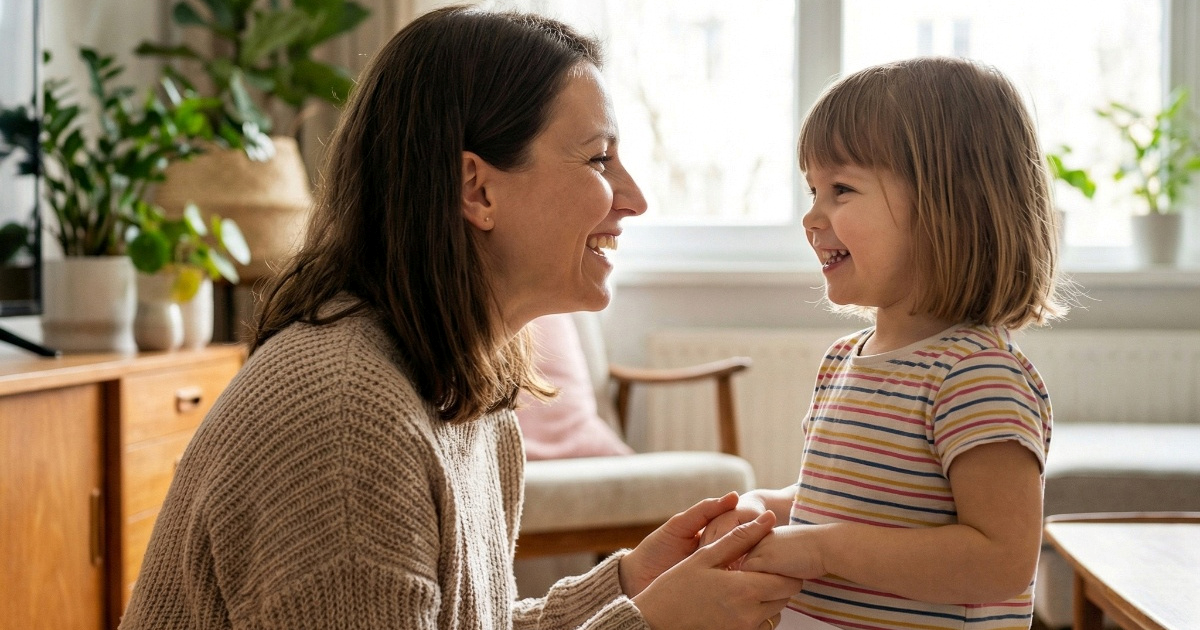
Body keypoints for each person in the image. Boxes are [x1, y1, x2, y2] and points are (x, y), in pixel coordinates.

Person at [119, 6, 800, 630]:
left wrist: (628, 582)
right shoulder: (347, 417)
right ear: (476, 188)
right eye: (598, 158)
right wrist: (651, 624)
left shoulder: (466, 389)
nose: (636, 199)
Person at [700, 56, 1067, 630]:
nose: (811, 216)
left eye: (841, 189)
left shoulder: (977, 377)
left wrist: (821, 550)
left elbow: (1002, 561)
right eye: (813, 189)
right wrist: (764, 511)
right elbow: (841, 499)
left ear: (950, 205)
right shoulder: (843, 361)